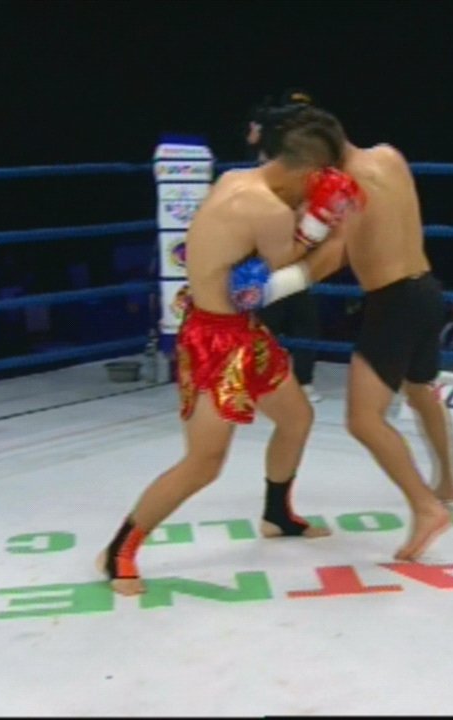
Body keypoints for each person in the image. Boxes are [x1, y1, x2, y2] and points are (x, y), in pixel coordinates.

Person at [96, 107, 364, 596]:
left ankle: (277, 514)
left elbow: (255, 273)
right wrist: (336, 228)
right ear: (310, 171)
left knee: (296, 418)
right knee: (204, 462)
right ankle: (119, 550)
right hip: (216, 342)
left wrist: (309, 222)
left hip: (239, 328)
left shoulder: (235, 180)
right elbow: (294, 274)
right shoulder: (269, 212)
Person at [230, 106, 453, 562]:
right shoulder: (389, 156)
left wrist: (274, 286)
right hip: (426, 290)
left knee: (364, 420)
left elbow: (334, 254)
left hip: (394, 303)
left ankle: (427, 507)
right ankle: (449, 482)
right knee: (421, 390)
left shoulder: (344, 187)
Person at [246, 90, 325, 402]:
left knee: (299, 312)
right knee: (271, 312)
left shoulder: (308, 147)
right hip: (273, 235)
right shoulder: (275, 145)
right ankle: (264, 377)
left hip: (295, 235)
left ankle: (302, 379)